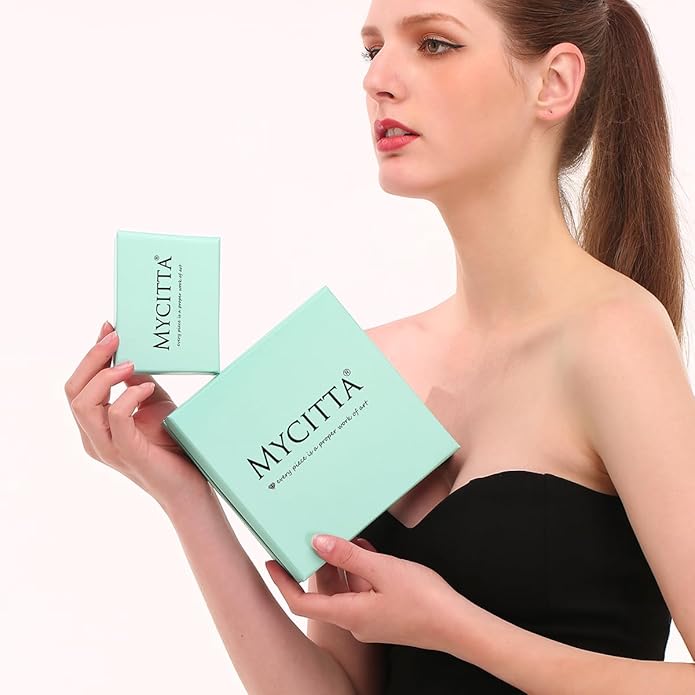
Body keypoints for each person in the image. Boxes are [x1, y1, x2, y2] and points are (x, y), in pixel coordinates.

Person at [65, 0, 695, 693]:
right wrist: (186, 494)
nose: (377, 80)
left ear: (554, 82)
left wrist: (454, 626)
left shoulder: (614, 338)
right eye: (372, 50)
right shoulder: (367, 368)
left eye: (434, 44)